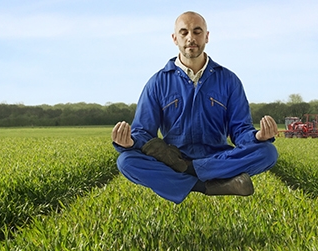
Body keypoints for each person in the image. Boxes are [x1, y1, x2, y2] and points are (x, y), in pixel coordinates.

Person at [111, 11, 279, 204]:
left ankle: (188, 171)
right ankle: (207, 185)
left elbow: (240, 130)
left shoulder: (229, 80)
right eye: (184, 32)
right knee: (126, 162)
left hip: (218, 156)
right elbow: (143, 132)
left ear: (207, 36)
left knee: (267, 152)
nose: (191, 38)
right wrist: (129, 143)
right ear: (175, 39)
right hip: (173, 156)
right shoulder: (157, 82)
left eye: (197, 32)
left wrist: (257, 137)